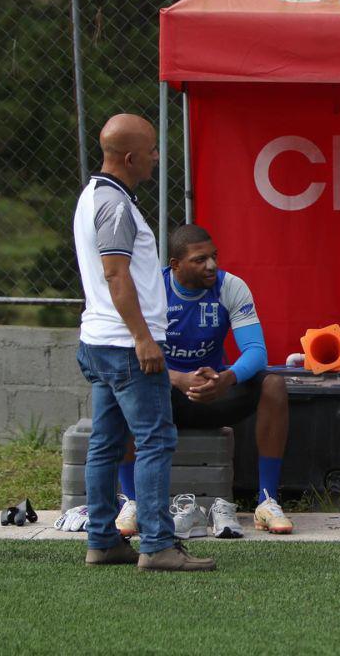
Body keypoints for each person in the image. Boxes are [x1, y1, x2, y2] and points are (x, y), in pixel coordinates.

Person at [73, 114, 214, 572]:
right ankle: (156, 544)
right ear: (130, 157)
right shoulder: (115, 205)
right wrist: (142, 338)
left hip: (99, 339)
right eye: (152, 149)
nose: (157, 156)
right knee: (156, 440)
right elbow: (116, 274)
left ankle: (103, 540)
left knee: (106, 444)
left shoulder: (92, 196)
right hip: (124, 344)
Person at [115, 224, 294, 539]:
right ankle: (131, 502)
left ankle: (267, 501)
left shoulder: (231, 287)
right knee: (122, 386)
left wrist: (227, 378)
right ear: (176, 265)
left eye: (214, 257)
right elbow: (131, 354)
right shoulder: (152, 289)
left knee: (273, 385)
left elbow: (256, 351)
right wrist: (178, 378)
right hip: (164, 394)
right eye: (200, 259)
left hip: (214, 392)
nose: (211, 265)